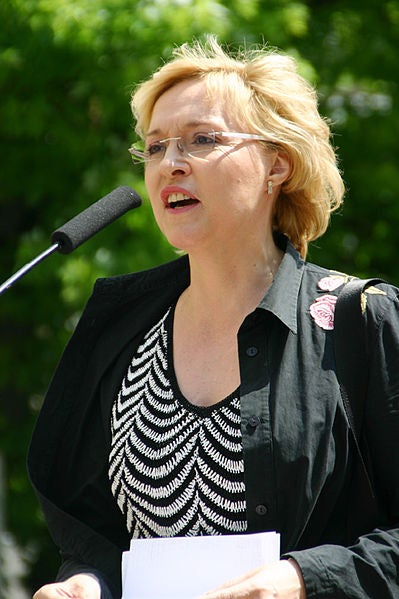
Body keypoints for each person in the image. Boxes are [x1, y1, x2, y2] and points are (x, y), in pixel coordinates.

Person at [29, 36, 399, 599]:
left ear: (277, 164)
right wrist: (85, 581)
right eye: (154, 148)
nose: (170, 164)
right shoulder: (120, 332)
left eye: (202, 140)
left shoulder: (360, 321)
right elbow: (94, 535)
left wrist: (304, 579)